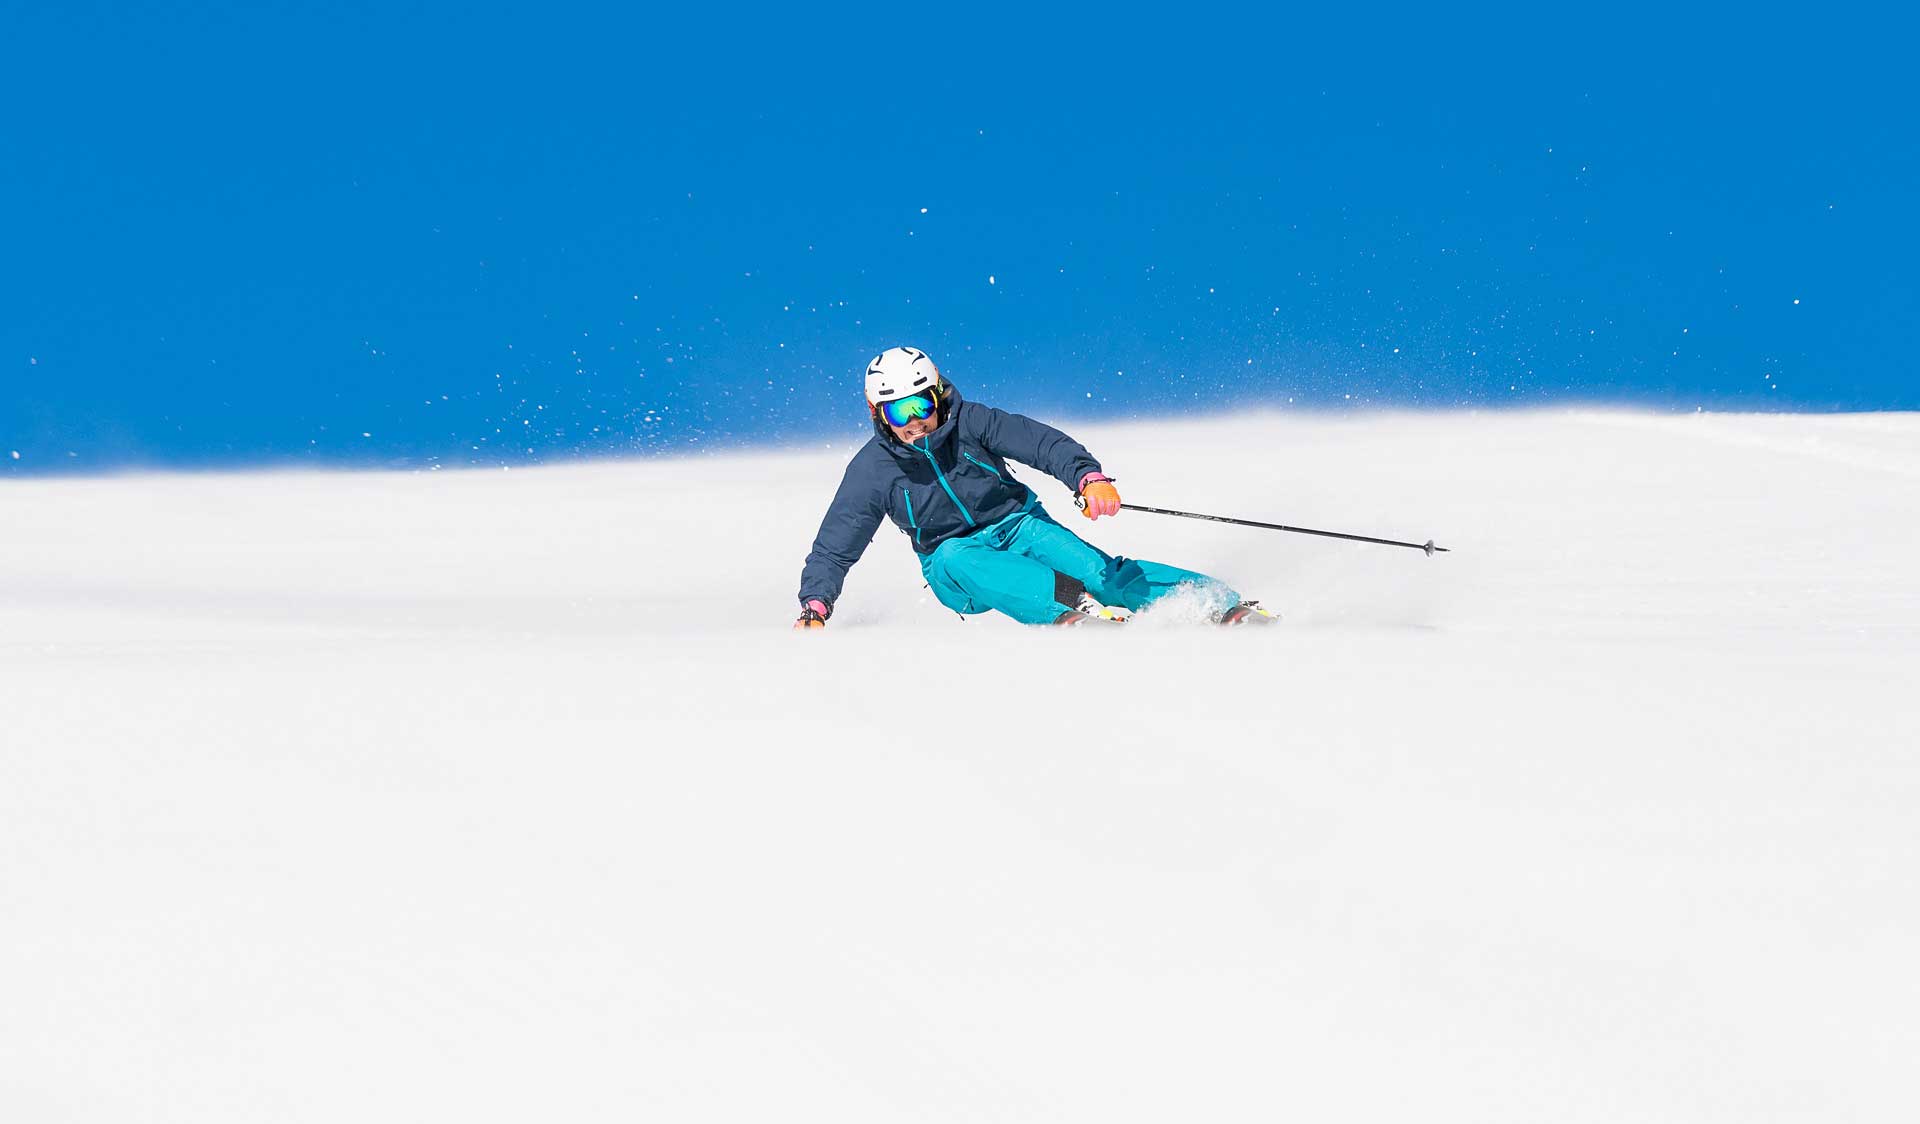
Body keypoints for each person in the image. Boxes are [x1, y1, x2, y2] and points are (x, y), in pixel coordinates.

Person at [793, 346, 1276, 629]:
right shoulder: (872, 470)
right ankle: (1069, 611)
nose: (916, 421)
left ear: (938, 394)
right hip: (955, 566)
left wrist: (1088, 477)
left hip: (1018, 524)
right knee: (957, 555)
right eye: (900, 411)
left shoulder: (972, 422)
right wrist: (816, 605)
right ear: (878, 414)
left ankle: (1221, 607)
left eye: (922, 404)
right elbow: (836, 545)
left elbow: (1041, 443)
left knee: (1100, 573)